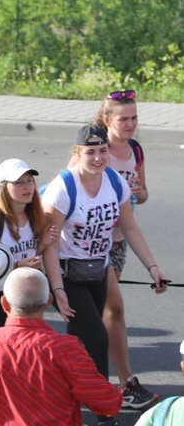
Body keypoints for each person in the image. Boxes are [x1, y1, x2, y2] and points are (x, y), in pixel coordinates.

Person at [42, 124, 168, 426]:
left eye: (102, 151)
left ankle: (53, 395)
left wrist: (153, 267)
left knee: (75, 343)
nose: (98, 158)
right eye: (90, 152)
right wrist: (57, 290)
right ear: (77, 153)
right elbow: (48, 243)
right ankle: (105, 415)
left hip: (97, 269)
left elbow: (129, 227)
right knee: (97, 338)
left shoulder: (114, 182)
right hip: (66, 272)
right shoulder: (64, 188)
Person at [70, 89, 157, 409]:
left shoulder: (135, 149)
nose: (131, 124)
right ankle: (124, 382)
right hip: (86, 246)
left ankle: (83, 377)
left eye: (134, 117)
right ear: (108, 120)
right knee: (112, 309)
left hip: (117, 240)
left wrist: (137, 190)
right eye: (124, 119)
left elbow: (143, 194)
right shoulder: (94, 148)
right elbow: (67, 186)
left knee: (98, 312)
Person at [0, 267, 122, 425]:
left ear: (5, 304)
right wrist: (119, 393)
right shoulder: (65, 348)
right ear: (48, 301)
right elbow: (107, 402)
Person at [0, 158, 58, 329]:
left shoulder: (34, 216)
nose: (27, 187)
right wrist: (16, 266)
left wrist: (42, 246)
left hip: (22, 291)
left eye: (29, 180)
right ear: (3, 188)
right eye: (18, 182)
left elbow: (26, 254)